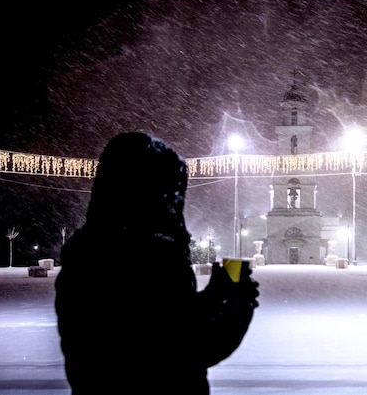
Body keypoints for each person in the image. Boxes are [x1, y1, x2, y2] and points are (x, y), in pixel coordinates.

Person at [55, 132, 259, 394]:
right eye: (170, 190)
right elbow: (182, 352)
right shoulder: (153, 254)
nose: (174, 201)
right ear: (149, 190)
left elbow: (152, 326)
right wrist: (238, 305)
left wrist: (211, 296)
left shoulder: (88, 248)